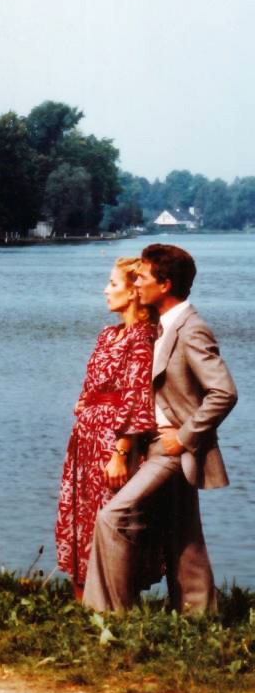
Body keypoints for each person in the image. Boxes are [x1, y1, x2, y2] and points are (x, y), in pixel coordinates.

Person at [84, 244, 238, 613]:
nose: (135, 284)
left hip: (172, 448)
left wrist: (183, 437)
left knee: (113, 516)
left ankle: (109, 615)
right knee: (184, 536)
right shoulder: (159, 326)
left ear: (165, 284)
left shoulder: (191, 329)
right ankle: (199, 615)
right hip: (154, 443)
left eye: (143, 277)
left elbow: (224, 392)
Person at [56, 257, 157, 601]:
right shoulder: (108, 334)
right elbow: (90, 387)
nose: (105, 290)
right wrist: (85, 404)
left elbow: (137, 397)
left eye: (113, 284)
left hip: (113, 443)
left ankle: (115, 602)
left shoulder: (143, 338)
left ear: (133, 293)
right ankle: (81, 601)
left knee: (111, 517)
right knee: (81, 518)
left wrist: (121, 453)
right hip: (86, 439)